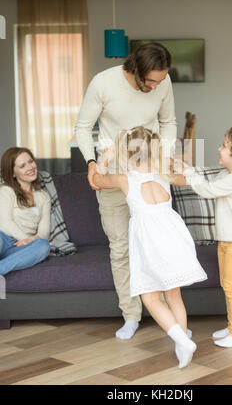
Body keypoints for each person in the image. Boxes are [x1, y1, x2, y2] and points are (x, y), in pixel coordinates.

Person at [75, 43, 177, 340]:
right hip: (114, 173)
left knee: (157, 245)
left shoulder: (163, 81)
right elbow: (83, 127)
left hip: (151, 173)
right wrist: (92, 162)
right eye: (151, 81)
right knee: (121, 247)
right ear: (135, 69)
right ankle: (131, 315)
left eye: (161, 80)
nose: (156, 86)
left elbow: (168, 122)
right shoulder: (103, 83)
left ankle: (168, 315)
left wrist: (165, 156)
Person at [93, 126, 207, 368]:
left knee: (151, 297)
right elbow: (187, 178)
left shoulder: (124, 179)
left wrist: (104, 159)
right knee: (173, 294)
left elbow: (96, 180)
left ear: (125, 154)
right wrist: (173, 162)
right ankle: (182, 346)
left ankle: (182, 342)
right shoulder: (164, 173)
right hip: (174, 235)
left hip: (150, 241)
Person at [173, 126, 232, 348]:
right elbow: (208, 181)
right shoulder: (227, 174)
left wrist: (189, 173)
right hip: (228, 241)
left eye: (224, 145)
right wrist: (188, 169)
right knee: (227, 285)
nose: (219, 148)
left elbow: (207, 190)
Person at [0, 148, 51, 276]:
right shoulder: (6, 191)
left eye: (31, 161)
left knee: (43, 247)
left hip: (22, 249)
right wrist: (25, 239)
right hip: (3, 239)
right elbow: (5, 222)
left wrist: (30, 241)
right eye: (22, 166)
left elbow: (44, 233)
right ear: (13, 173)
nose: (30, 167)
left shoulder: (43, 197)